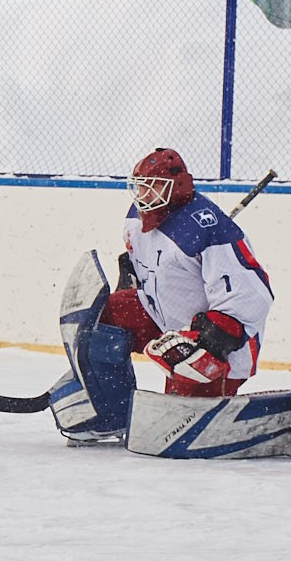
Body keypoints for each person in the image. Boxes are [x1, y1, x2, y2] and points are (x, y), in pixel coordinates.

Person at [104, 147, 273, 397]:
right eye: (141, 186)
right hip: (163, 316)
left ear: (176, 187)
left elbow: (252, 296)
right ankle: (108, 411)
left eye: (153, 186)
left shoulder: (213, 231)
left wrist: (210, 339)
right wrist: (131, 275)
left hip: (219, 344)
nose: (143, 194)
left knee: (181, 419)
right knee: (99, 318)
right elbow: (140, 259)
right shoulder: (136, 215)